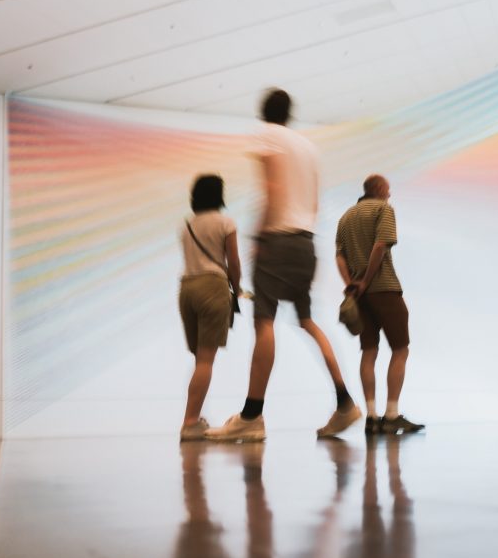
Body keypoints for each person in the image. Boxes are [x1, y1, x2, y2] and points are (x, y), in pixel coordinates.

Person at [207, 89, 361, 441]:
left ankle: (251, 415)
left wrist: (259, 237)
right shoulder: (307, 146)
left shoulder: (267, 135)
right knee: (307, 321)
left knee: (264, 323)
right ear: (290, 112)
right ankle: (344, 403)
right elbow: (315, 201)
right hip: (305, 242)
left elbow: (272, 187)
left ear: (264, 112)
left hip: (277, 239)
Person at [335, 175, 423, 435]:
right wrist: (366, 280)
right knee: (400, 349)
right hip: (384, 287)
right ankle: (392, 414)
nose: (390, 194)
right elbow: (381, 246)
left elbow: (339, 256)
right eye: (389, 189)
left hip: (359, 296)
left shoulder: (346, 216)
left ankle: (371, 416)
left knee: (369, 351)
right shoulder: (384, 210)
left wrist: (352, 283)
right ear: (382, 190)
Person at [178, 174, 242, 441]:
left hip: (187, 288)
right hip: (212, 286)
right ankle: (190, 422)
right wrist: (236, 290)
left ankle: (193, 417)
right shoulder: (225, 222)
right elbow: (234, 262)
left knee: (199, 360)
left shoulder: (187, 225)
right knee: (206, 361)